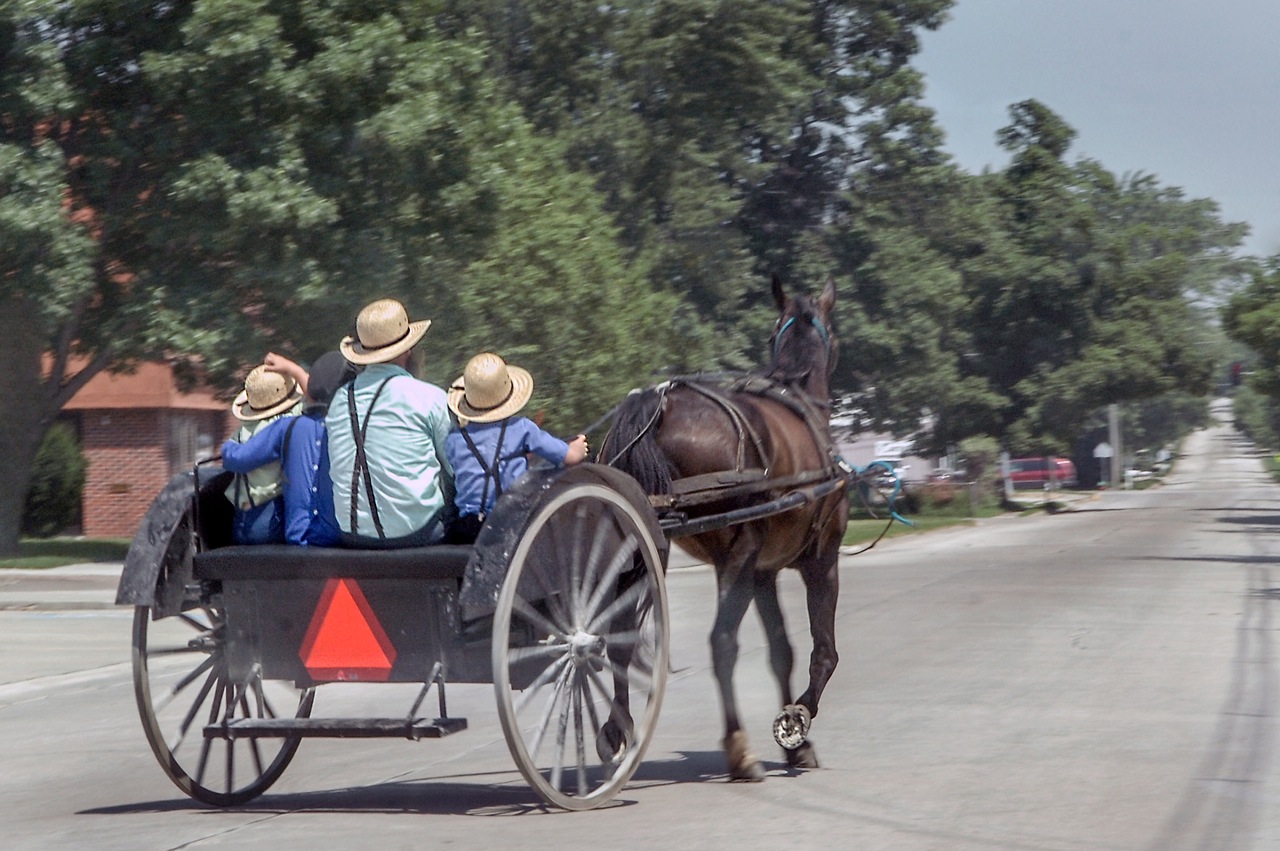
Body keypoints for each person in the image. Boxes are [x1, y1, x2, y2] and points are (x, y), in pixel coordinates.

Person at [325, 298, 454, 548]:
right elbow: (454, 468)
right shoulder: (429, 397)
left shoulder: (339, 400)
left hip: (352, 536)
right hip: (419, 534)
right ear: (408, 349)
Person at [444, 352, 589, 544]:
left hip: (468, 529)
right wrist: (578, 447)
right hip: (511, 523)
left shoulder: (454, 440)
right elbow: (570, 457)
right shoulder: (523, 428)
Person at [220, 352, 355, 547]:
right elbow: (319, 392)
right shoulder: (353, 427)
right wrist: (295, 370)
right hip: (340, 533)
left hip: (297, 535)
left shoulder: (286, 427)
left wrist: (229, 445)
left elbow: (238, 458)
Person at [223, 364, 304, 544]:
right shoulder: (288, 421)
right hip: (270, 516)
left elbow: (229, 455)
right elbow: (315, 398)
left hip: (242, 517)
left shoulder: (242, 431)